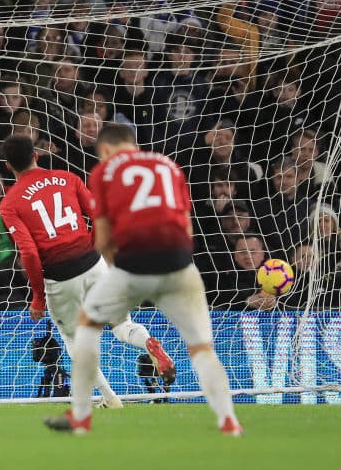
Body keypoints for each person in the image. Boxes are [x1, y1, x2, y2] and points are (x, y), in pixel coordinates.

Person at [45, 123, 242, 436]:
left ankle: (82, 416)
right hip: (179, 264)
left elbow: (104, 237)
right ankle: (229, 421)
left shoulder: (104, 173)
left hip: (134, 264)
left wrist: (117, 272)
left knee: (86, 328)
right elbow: (186, 225)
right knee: (201, 347)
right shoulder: (168, 166)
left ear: (106, 150)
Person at [0, 134, 174, 410]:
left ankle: (110, 398)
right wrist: (92, 246)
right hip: (93, 263)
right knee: (121, 324)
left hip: (60, 276)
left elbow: (29, 253)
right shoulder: (67, 178)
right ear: (36, 155)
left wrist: (38, 298)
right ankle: (148, 341)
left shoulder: (10, 203)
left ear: (8, 166)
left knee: (74, 340)